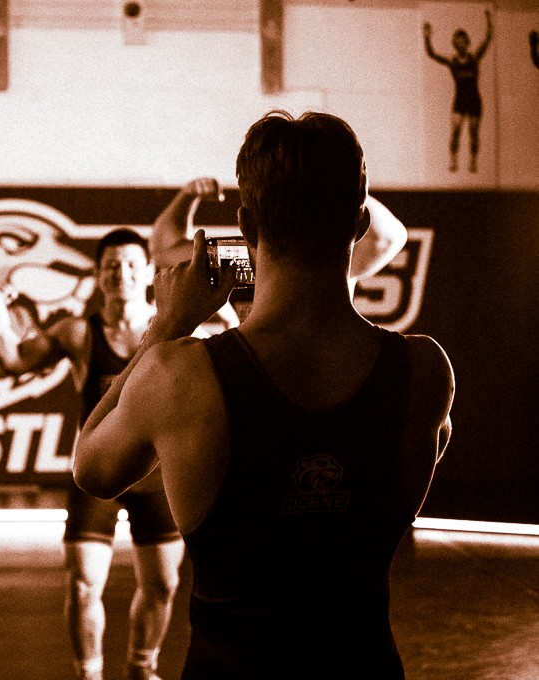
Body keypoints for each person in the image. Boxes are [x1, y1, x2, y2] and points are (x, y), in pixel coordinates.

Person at [73, 111, 454, 678]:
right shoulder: (424, 369)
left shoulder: (180, 375)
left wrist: (163, 330)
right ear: (356, 225)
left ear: (247, 226)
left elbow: (92, 469)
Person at [0, 227, 186, 680]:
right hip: (98, 473)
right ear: (96, 274)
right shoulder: (77, 332)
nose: (119, 274)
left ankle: (141, 667)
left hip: (156, 476)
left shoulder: (173, 328)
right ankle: (88, 673)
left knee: (163, 584)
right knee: (85, 583)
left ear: (147, 271)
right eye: (110, 265)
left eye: (129, 264)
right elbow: (14, 361)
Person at [149, 177, 408, 301]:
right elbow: (165, 253)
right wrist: (187, 195)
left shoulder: (324, 259)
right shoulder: (244, 258)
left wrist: (335, 183)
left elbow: (389, 238)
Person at [424, 10, 493, 173]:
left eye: (463, 41)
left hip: (474, 100)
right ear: (455, 44)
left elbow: (487, 40)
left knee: (473, 133)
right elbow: (432, 54)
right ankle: (453, 161)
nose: (461, 44)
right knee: (455, 132)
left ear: (467, 43)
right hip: (460, 101)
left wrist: (489, 20)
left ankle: (473, 161)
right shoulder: (453, 62)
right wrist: (427, 36)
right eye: (458, 42)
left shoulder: (474, 58)